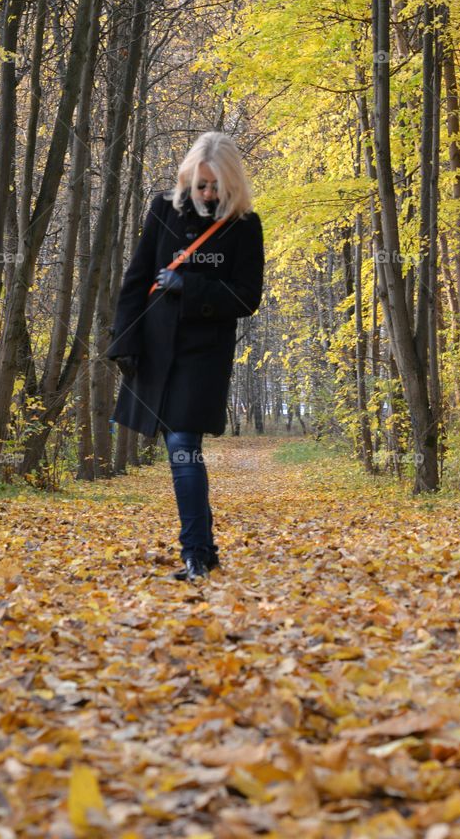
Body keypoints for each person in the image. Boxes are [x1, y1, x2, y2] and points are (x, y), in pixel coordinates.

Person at [106, 131, 264, 582]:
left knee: (182, 446)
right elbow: (136, 277)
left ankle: (195, 553)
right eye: (201, 185)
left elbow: (247, 297)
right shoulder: (163, 210)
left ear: (231, 184)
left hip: (204, 354)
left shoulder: (244, 225)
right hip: (156, 348)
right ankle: (204, 551)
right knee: (177, 447)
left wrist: (190, 287)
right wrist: (125, 341)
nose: (208, 194)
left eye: (216, 186)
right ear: (188, 180)